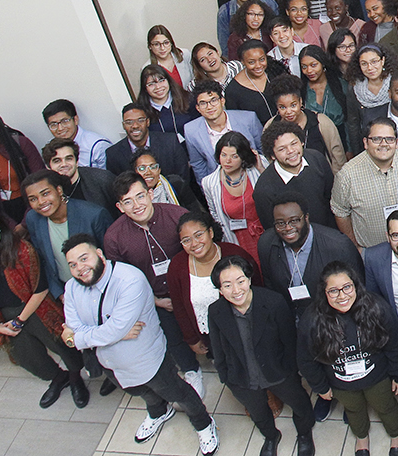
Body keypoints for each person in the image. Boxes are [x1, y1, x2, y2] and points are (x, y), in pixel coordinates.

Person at [60, 236, 218, 453]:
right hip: (109, 361)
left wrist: (79, 338)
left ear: (99, 254)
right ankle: (158, 412)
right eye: (73, 265)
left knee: (179, 393)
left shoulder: (129, 279)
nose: (80, 268)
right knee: (140, 392)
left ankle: (203, 423)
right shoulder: (71, 288)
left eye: (83, 259)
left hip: (146, 359)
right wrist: (113, 333)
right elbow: (79, 325)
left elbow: (107, 329)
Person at [0, 206, 89, 408]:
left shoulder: (21, 250)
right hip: (5, 316)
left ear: (0, 229)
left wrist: (20, 320)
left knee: (63, 346)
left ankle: (75, 378)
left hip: (35, 308)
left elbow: (40, 289)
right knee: (26, 357)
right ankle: (58, 378)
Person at [102, 172, 207, 397]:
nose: (137, 205)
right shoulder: (114, 237)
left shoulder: (177, 216)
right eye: (128, 202)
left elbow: (202, 252)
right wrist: (156, 301)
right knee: (173, 338)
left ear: (150, 193)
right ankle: (191, 370)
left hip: (191, 290)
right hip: (155, 299)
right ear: (120, 207)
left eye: (140, 196)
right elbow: (121, 282)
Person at [208, 255, 317, 456]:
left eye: (240, 281)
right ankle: (271, 436)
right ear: (220, 289)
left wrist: (291, 371)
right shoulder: (215, 311)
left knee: (300, 405)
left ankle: (304, 434)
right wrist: (226, 378)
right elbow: (218, 348)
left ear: (249, 279)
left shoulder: (273, 302)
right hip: (242, 377)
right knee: (258, 413)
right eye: (227, 285)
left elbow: (289, 340)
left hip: (279, 371)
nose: (236, 290)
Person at [299, 261, 398, 456]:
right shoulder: (312, 319)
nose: (342, 296)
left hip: (377, 377)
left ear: (356, 286)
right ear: (324, 293)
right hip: (340, 383)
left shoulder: (377, 307)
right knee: (354, 411)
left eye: (347, 287)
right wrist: (320, 387)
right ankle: (361, 437)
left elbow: (394, 345)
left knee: (386, 407)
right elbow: (306, 359)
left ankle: (396, 434)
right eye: (333, 291)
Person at [165, 211, 255, 359]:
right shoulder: (177, 266)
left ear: (211, 232)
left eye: (199, 235)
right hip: (212, 336)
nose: (194, 244)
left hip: (248, 328)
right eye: (186, 240)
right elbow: (179, 306)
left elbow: (258, 289)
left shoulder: (234, 253)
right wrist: (192, 339)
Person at [257, 192, 362, 312]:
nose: (288, 228)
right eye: (280, 223)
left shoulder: (339, 246)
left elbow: (357, 289)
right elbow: (270, 287)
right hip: (288, 317)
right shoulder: (266, 244)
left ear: (306, 218)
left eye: (294, 220)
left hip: (330, 318)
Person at [332, 118, 398, 248]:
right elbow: (340, 212)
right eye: (376, 139)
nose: (384, 144)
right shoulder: (347, 176)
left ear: (396, 142)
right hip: (372, 251)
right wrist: (356, 248)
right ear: (365, 142)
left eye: (389, 139)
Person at [22, 170, 113, 300]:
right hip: (67, 292)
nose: (41, 202)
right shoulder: (33, 218)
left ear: (59, 190)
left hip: (102, 288)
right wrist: (59, 293)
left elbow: (111, 257)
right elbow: (43, 259)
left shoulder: (93, 215)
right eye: (33, 199)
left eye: (46, 193)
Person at [254, 120, 337, 229]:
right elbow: (272, 228)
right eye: (282, 149)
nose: (291, 151)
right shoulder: (264, 190)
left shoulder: (317, 159)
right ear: (272, 155)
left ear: (302, 142)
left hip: (330, 233)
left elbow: (333, 200)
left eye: (294, 143)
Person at [199, 132, 265, 259]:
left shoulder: (257, 166)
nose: (227, 161)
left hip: (264, 230)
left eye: (234, 156)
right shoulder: (209, 182)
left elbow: (273, 191)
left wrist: (261, 169)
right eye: (223, 155)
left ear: (243, 157)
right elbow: (215, 214)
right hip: (236, 237)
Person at [184, 79, 265, 181]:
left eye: (213, 100)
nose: (209, 107)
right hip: (220, 184)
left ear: (222, 101)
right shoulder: (191, 130)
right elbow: (198, 164)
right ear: (198, 108)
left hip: (253, 177)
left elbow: (263, 150)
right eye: (203, 103)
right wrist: (207, 189)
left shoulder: (248, 119)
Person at [268, 74, 348, 174]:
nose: (289, 111)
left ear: (300, 101)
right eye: (282, 107)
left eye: (293, 105)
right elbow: (270, 160)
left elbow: (337, 157)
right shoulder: (271, 126)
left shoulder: (321, 122)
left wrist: (337, 183)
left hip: (321, 179)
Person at [345, 45, 398, 154]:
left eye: (374, 62)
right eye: (364, 64)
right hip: (369, 145)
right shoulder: (354, 88)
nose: (370, 68)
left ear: (382, 61)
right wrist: (357, 152)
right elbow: (353, 124)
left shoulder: (396, 82)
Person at [42, 138, 118, 213]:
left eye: (68, 159)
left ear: (77, 161)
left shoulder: (103, 179)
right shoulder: (46, 190)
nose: (64, 164)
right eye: (57, 161)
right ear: (48, 167)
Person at [302, 42, 353, 150]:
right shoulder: (301, 90)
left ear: (322, 63)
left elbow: (350, 120)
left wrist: (349, 149)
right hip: (314, 144)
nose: (309, 71)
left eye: (313, 65)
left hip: (341, 141)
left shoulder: (340, 85)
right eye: (304, 67)